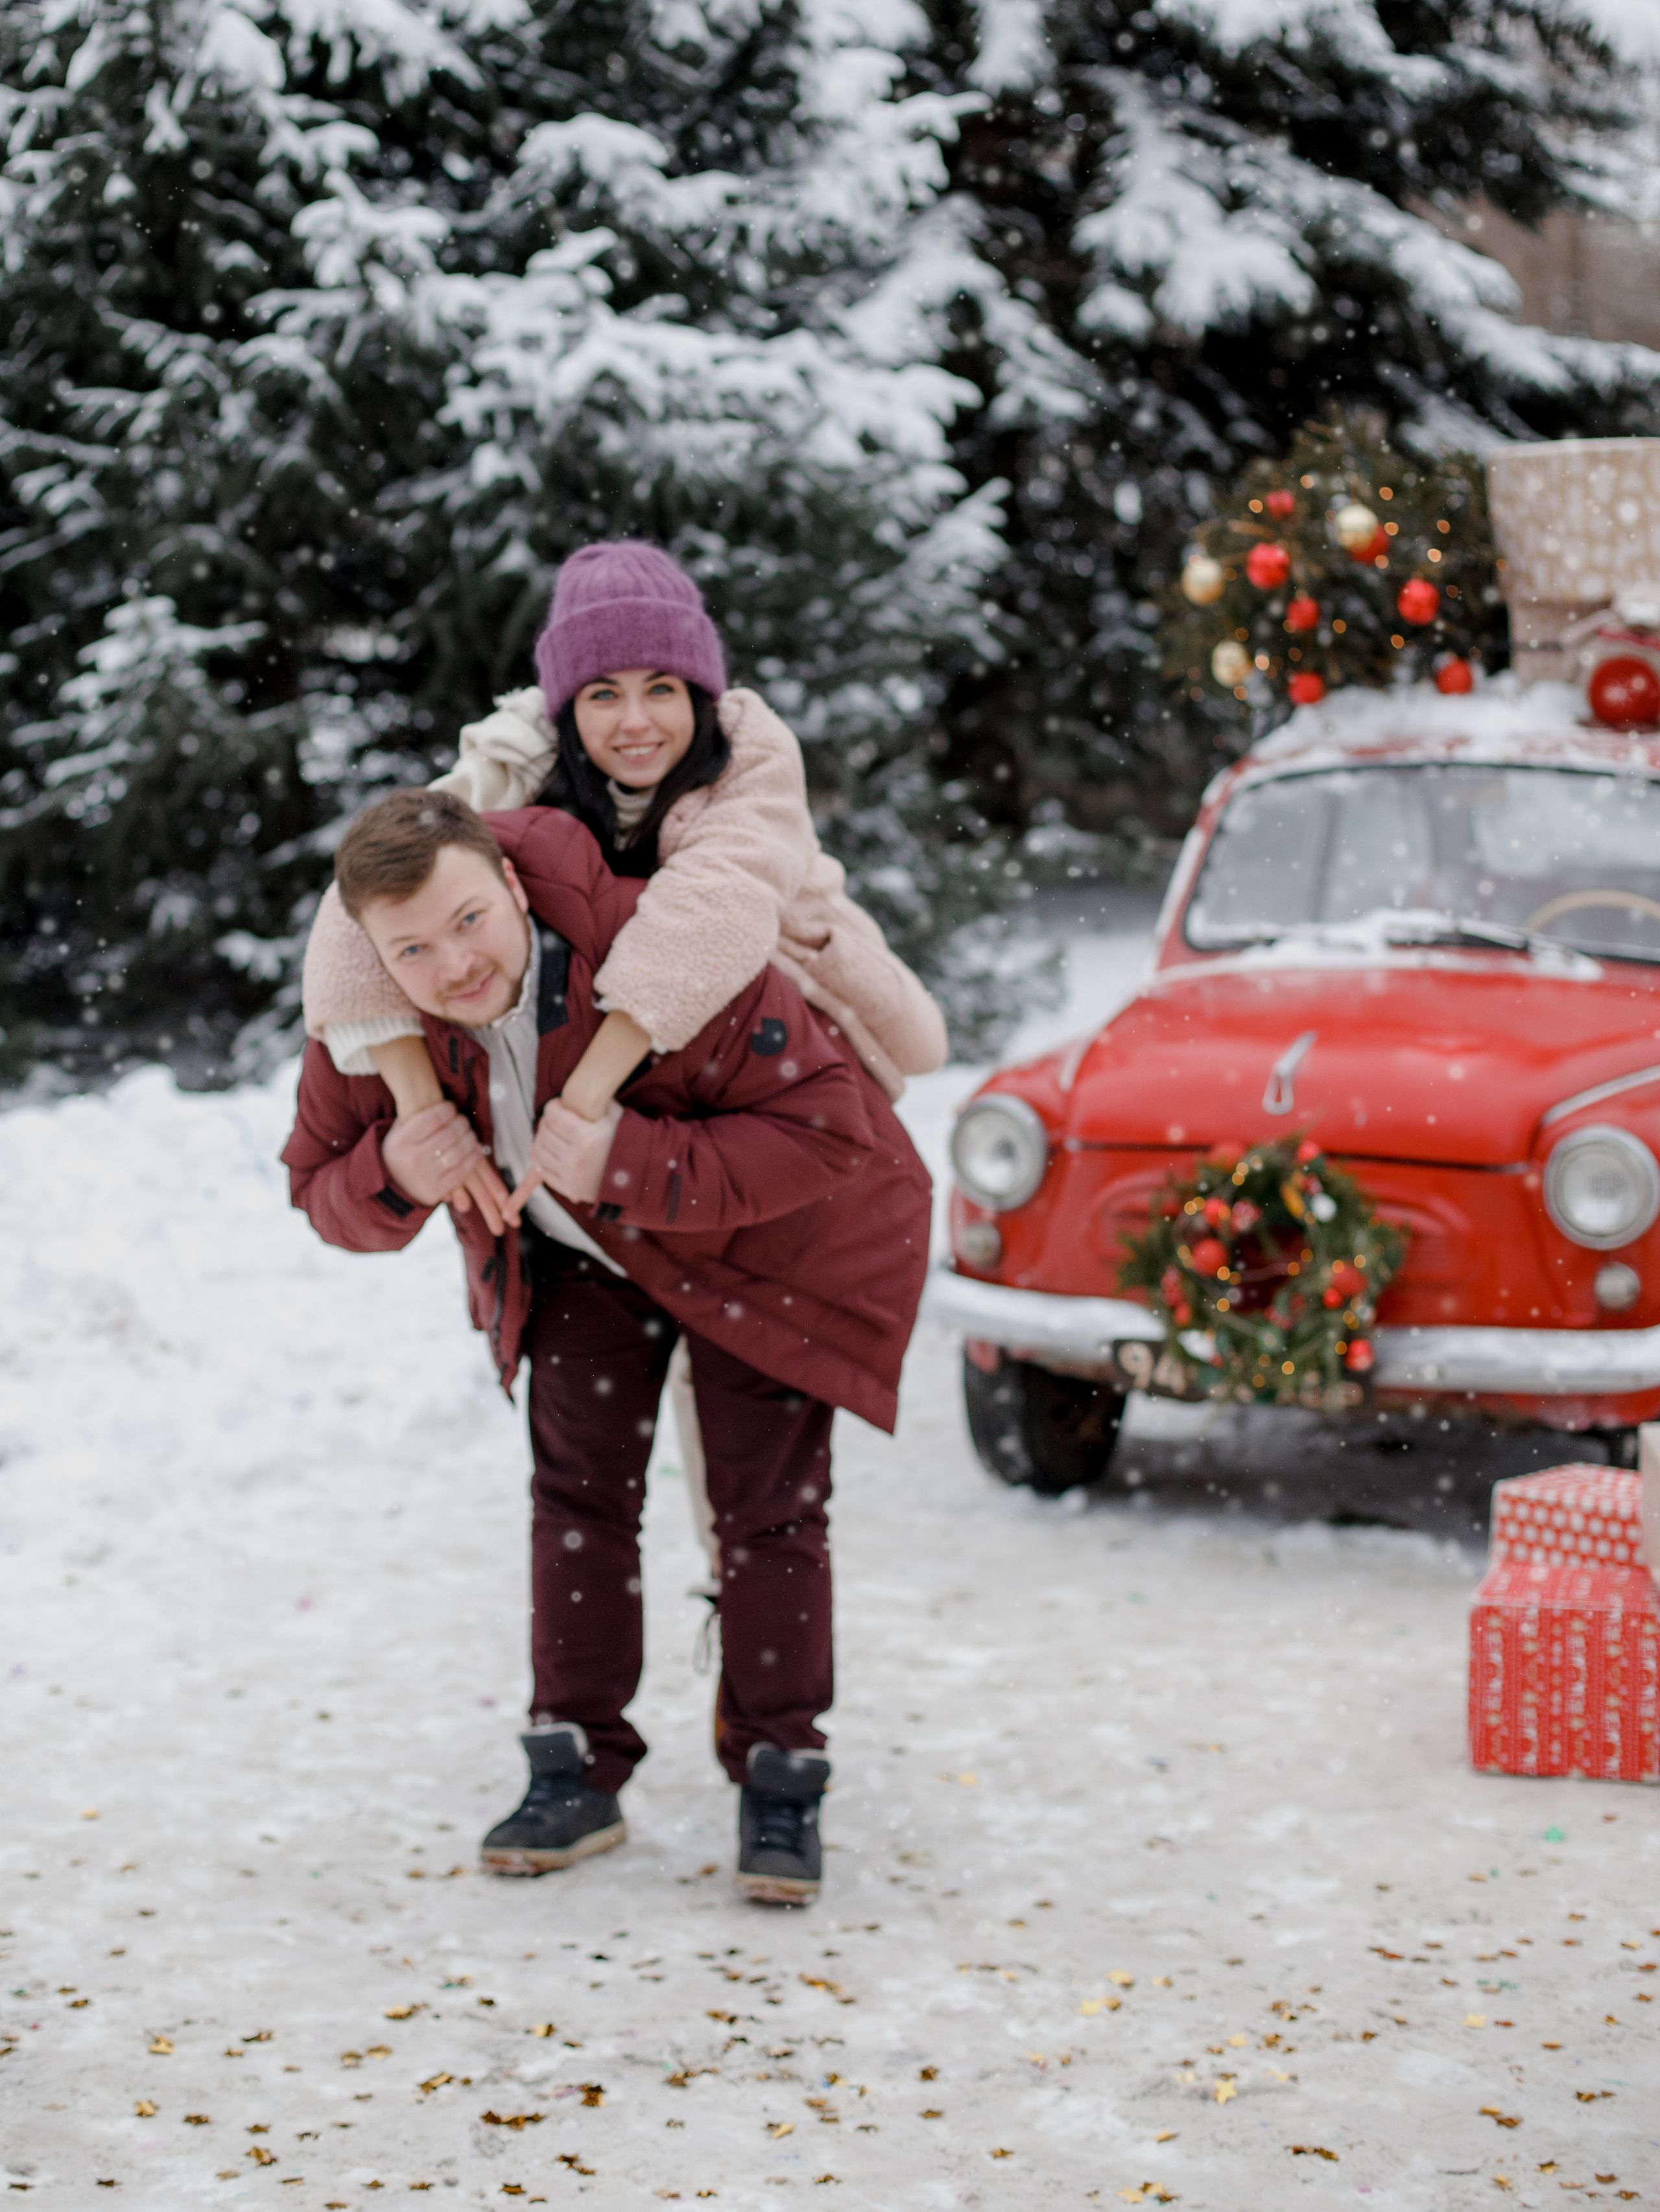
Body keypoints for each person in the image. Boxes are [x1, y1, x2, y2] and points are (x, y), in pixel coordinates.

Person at [281, 786, 933, 1905]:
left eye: (471, 920)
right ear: (376, 955)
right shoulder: (375, 1030)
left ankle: (782, 1776)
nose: (453, 966)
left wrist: (628, 1163)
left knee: (767, 1511)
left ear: (509, 883)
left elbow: (831, 1125)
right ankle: (575, 1769)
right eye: (414, 949)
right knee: (576, 1499)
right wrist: (391, 1173)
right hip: (579, 1261)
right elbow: (314, 1186)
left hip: (755, 1253)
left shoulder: (654, 952)